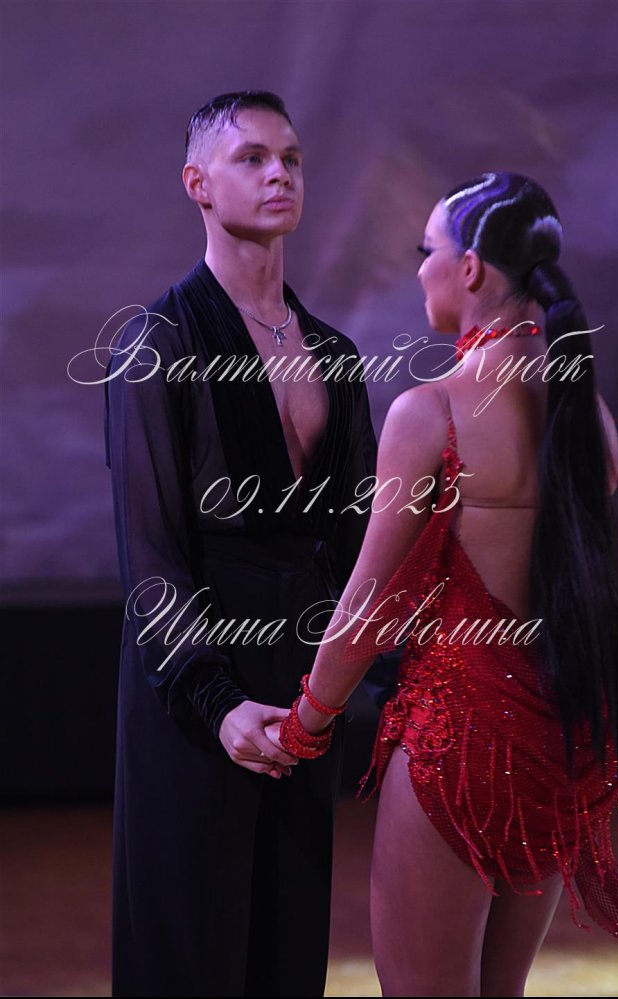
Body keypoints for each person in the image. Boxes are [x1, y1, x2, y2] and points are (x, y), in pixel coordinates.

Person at [272, 172, 618, 995]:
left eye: (428, 251)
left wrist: (305, 723)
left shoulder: (433, 412)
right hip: (559, 743)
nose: (421, 268)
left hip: (456, 747)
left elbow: (371, 602)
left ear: (473, 268)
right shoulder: (588, 418)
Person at [104, 91, 376, 997]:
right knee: (191, 954)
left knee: (286, 955)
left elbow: (362, 549)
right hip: (192, 698)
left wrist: (344, 693)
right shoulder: (156, 343)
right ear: (197, 183)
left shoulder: (335, 355)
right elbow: (151, 559)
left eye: (290, 158)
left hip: (304, 696)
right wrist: (218, 704)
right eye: (252, 158)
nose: (279, 174)